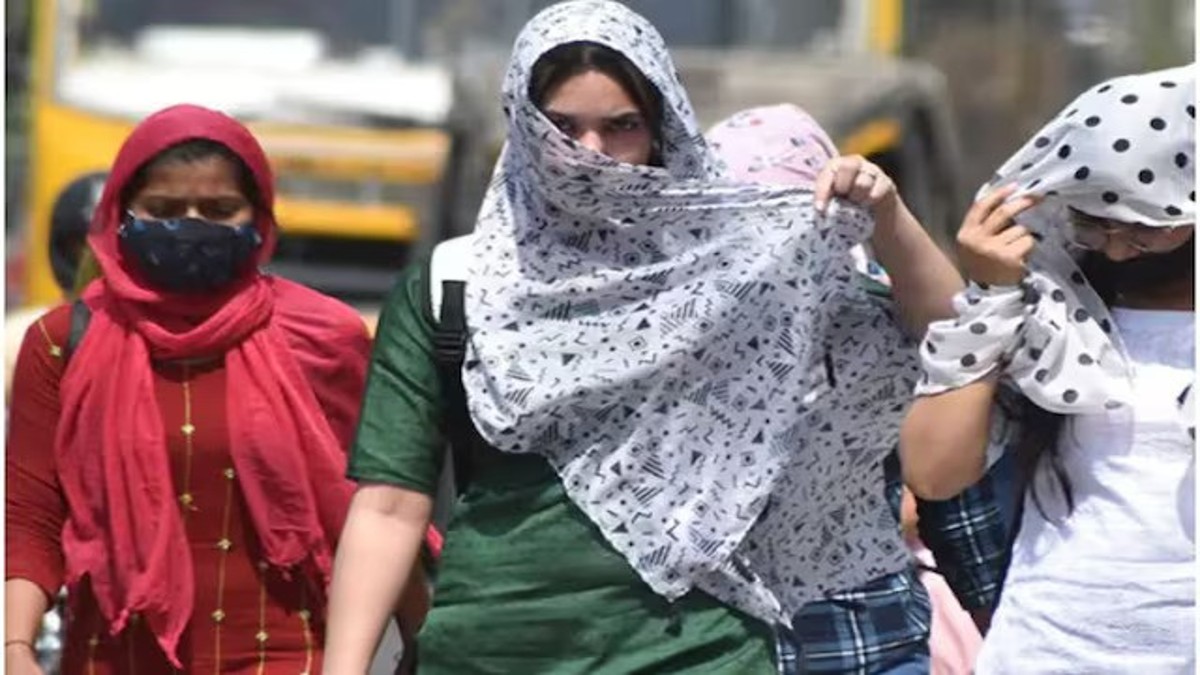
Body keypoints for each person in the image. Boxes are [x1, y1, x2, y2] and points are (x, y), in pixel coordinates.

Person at [326, 2, 958, 672]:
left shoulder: (733, 272)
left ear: (665, 131)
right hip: (495, 647)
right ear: (521, 122)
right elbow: (390, 506)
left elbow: (951, 332)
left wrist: (888, 215)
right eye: (561, 127)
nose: (588, 155)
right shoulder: (454, 284)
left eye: (620, 127)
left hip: (699, 652)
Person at [3, 104, 424, 674]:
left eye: (220, 210)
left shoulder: (322, 337)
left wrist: (424, 644)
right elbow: (32, 517)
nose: (192, 225)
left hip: (285, 658)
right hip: (113, 659)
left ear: (260, 215)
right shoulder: (63, 342)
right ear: (120, 215)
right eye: (164, 210)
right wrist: (17, 648)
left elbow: (379, 508)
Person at [900, 65, 1195, 673]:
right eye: (1093, 221)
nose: (1114, 247)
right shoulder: (1054, 307)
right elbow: (932, 475)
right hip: (1055, 645)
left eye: (1146, 228)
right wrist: (992, 293)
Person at [709, 104, 1005, 675]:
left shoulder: (870, 309)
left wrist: (888, 214)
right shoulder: (679, 328)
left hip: (867, 641)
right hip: (727, 642)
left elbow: (957, 337)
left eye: (791, 217)